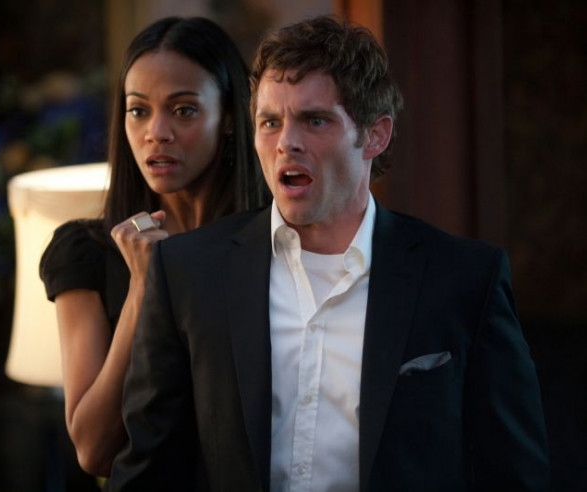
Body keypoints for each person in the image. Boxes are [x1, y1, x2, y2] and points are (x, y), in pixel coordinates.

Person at [107, 15, 550, 491]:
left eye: (314, 120)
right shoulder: (188, 272)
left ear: (375, 135)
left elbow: (514, 474)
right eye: (270, 122)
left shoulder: (465, 279)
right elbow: (147, 472)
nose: (286, 143)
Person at [39, 16, 267, 478]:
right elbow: (93, 450)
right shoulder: (85, 251)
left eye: (183, 110)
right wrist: (144, 284)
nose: (155, 132)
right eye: (138, 110)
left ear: (229, 117)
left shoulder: (273, 243)